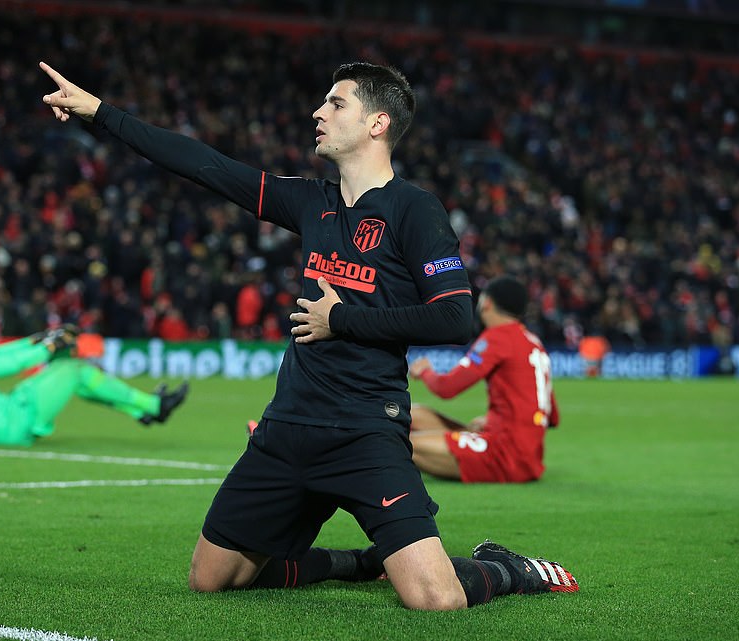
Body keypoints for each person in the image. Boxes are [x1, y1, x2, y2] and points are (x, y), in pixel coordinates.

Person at [40, 61, 577, 609]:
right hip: (288, 426)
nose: (319, 112)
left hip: (365, 430)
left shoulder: (415, 210)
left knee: (436, 599)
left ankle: (510, 570)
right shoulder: (311, 202)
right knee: (212, 579)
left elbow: (455, 318)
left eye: (337, 103)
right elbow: (205, 165)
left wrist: (341, 319)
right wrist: (100, 113)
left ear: (378, 123)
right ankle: (360, 563)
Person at [0, 299, 188, 446]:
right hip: (6, 425)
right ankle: (152, 407)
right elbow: (5, 366)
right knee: (72, 368)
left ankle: (146, 409)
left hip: (6, 414)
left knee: (75, 372)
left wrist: (35, 340)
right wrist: (47, 348)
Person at [408, 276, 559, 483]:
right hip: (525, 453)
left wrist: (425, 371)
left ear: (487, 302)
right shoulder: (534, 343)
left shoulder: (498, 337)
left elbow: (447, 387)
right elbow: (552, 416)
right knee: (412, 414)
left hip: (505, 454)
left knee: (400, 445)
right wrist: (495, 420)